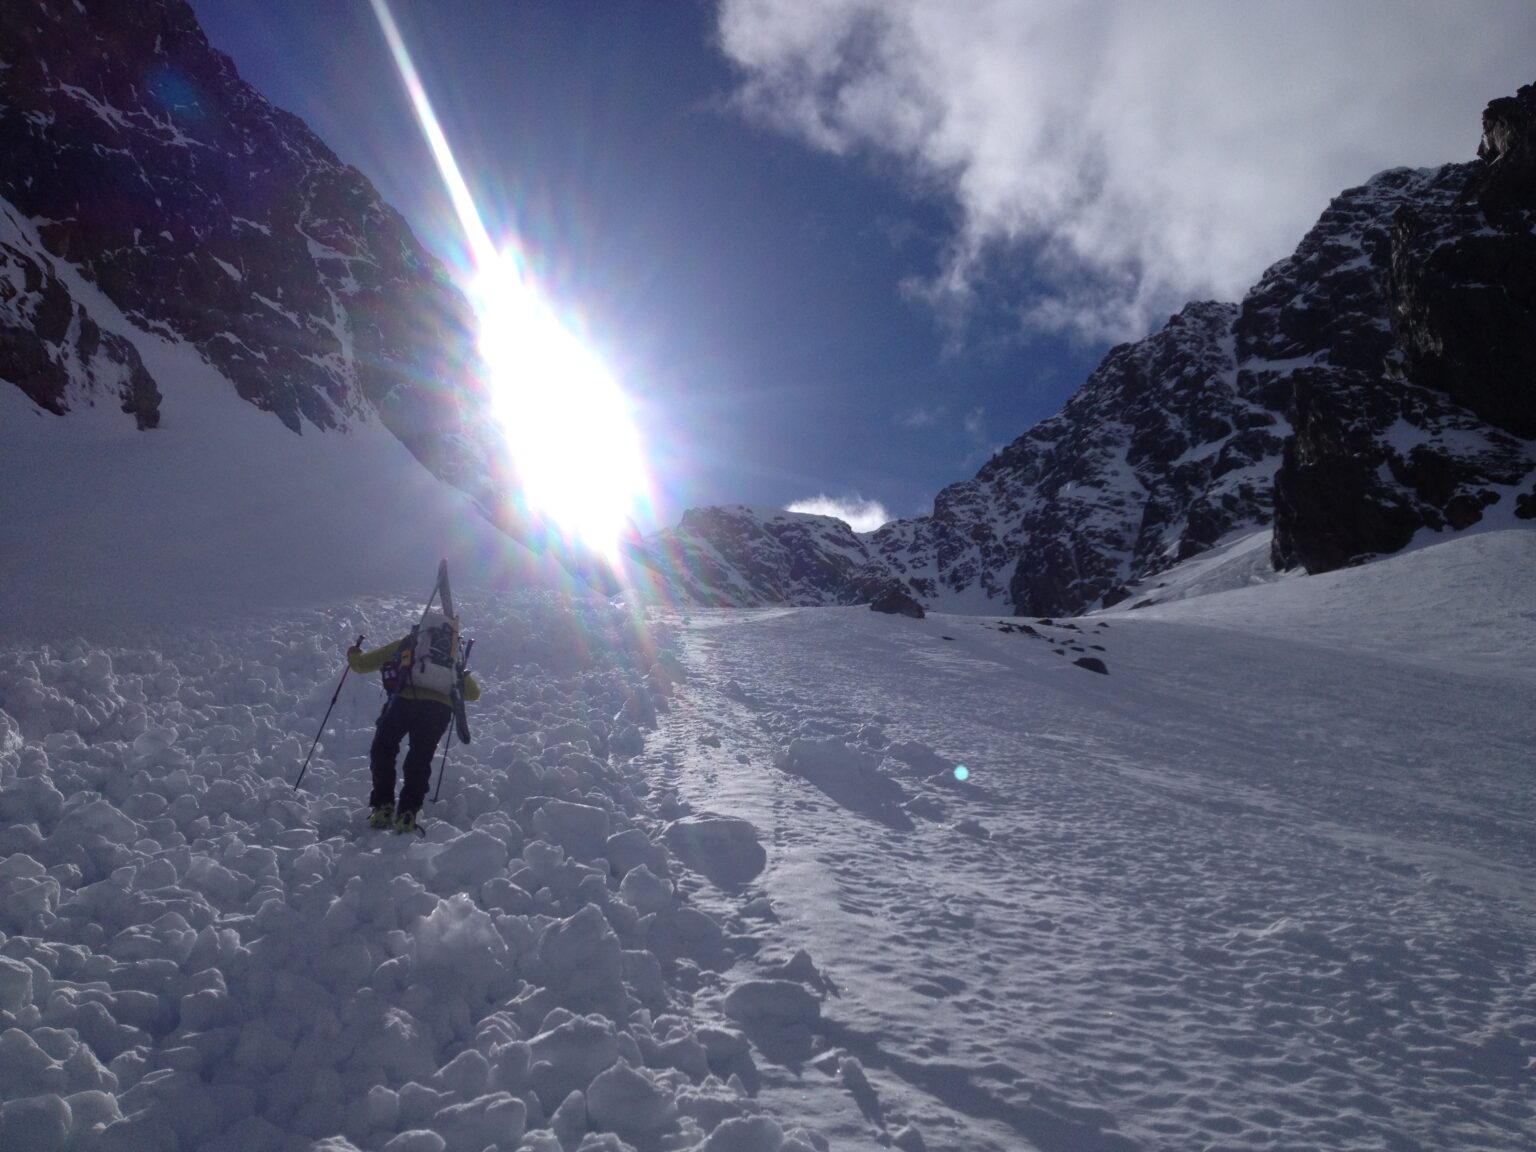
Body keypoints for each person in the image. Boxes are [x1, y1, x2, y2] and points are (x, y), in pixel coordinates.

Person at [347, 631, 481, 833]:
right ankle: (408, 813)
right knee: (420, 758)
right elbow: (473, 694)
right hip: (438, 711)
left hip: (403, 703)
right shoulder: (452, 654)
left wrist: (353, 654)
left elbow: (362, 665)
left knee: (383, 750)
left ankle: (383, 806)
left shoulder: (410, 643)